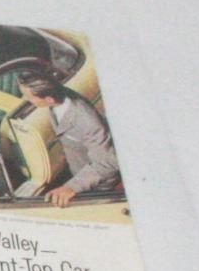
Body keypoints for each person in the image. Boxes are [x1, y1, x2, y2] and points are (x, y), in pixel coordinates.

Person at [16, 71, 121, 207]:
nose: (25, 98)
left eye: (28, 96)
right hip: (78, 166)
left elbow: (106, 164)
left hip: (96, 183)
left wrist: (71, 187)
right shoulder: (59, 98)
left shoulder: (88, 122)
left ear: (49, 99)